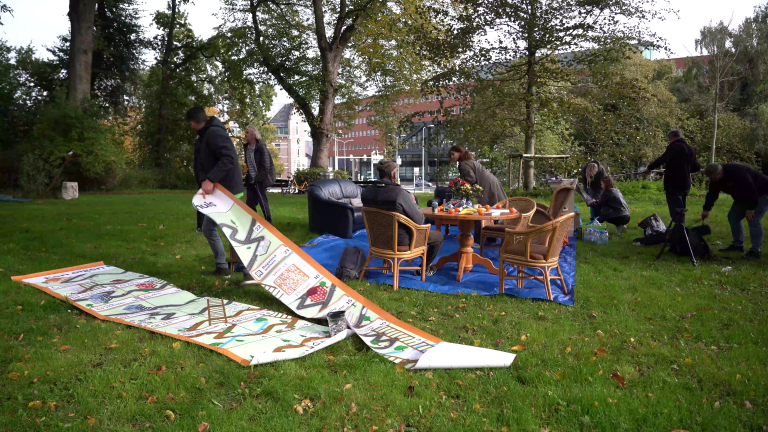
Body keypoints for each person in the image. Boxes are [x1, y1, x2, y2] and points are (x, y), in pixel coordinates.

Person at [188, 106, 244, 277]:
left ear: (193, 122)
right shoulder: (205, 135)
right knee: (213, 229)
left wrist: (210, 179)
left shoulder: (214, 133)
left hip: (227, 191)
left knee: (228, 231)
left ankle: (240, 270)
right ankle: (224, 268)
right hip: (221, 190)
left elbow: (228, 158)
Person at [361, 159, 444, 276]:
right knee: (438, 236)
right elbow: (420, 220)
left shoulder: (366, 192)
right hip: (401, 242)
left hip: (377, 241)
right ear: (394, 174)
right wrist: (413, 203)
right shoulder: (400, 194)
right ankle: (423, 269)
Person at [701, 163, 768, 261]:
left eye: (714, 177)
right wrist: (706, 209)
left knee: (753, 219)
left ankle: (755, 252)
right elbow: (712, 193)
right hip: (743, 197)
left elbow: (751, 189)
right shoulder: (715, 179)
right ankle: (738, 245)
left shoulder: (737, 172)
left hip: (761, 193)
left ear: (720, 173)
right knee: (733, 217)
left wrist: (751, 208)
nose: (713, 180)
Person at [448, 145, 507, 247]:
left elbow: (471, 179)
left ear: (460, 153)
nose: (451, 157)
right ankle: (491, 239)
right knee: (489, 211)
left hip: (485, 185)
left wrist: (460, 186)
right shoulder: (469, 161)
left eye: (453, 154)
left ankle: (478, 241)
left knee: (479, 212)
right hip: (492, 182)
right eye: (450, 155)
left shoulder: (463, 164)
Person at [644, 129, 701, 220]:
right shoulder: (690, 149)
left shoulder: (674, 147)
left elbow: (662, 159)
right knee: (680, 209)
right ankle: (679, 230)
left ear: (670, 138)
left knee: (676, 211)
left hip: (674, 184)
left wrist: (649, 168)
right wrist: (685, 169)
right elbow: (696, 167)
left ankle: (680, 231)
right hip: (686, 184)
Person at [243, 125, 275, 223]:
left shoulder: (261, 147)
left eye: (247, 132)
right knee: (250, 204)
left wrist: (258, 179)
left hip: (260, 179)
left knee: (263, 203)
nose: (245, 134)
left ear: (253, 135)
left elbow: (266, 166)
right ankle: (253, 223)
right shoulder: (246, 148)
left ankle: (269, 223)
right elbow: (247, 163)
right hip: (250, 179)